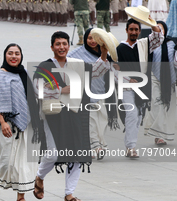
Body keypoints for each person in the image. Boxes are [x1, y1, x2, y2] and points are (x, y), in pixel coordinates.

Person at [32, 31, 110, 201]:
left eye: (65, 44)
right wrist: (61, 90)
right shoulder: (45, 67)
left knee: (76, 152)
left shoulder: (77, 64)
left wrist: (104, 51)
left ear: (69, 45)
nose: (61, 47)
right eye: (58, 44)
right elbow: (37, 89)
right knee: (52, 154)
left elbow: (96, 71)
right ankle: (39, 176)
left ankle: (69, 193)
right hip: (52, 116)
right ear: (52, 47)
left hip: (75, 114)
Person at [0, 43, 42, 201]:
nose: (13, 56)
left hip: (27, 124)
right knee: (6, 161)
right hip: (8, 124)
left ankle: (21, 198)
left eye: (17, 53)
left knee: (24, 162)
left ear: (21, 56)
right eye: (10, 53)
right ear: (5, 56)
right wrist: (3, 122)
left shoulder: (23, 74)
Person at [67, 28, 121, 159]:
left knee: (102, 122)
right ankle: (96, 147)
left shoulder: (105, 54)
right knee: (90, 122)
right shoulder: (75, 54)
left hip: (102, 94)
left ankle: (95, 145)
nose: (91, 41)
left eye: (94, 38)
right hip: (85, 95)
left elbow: (114, 72)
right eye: (89, 38)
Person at [116, 17, 163, 157]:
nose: (133, 32)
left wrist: (151, 23)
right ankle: (131, 147)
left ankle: (130, 146)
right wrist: (128, 79)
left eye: (136, 29)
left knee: (138, 116)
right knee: (132, 113)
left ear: (140, 31)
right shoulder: (119, 48)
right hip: (126, 87)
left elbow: (158, 37)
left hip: (142, 86)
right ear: (126, 30)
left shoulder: (144, 45)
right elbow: (114, 69)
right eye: (131, 29)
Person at [144, 21, 177, 145]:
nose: (159, 30)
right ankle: (158, 136)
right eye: (156, 29)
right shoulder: (150, 44)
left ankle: (163, 133)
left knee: (167, 108)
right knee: (157, 106)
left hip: (170, 81)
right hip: (154, 78)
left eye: (161, 28)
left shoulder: (172, 44)